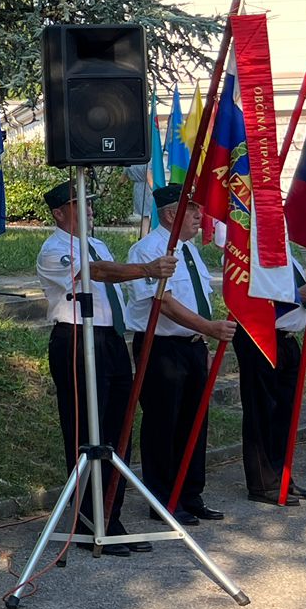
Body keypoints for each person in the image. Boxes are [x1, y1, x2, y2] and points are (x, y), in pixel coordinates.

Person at [36, 179, 174, 553]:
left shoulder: (95, 242)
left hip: (109, 340)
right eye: (80, 204)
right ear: (60, 213)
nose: (90, 209)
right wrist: (146, 269)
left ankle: (110, 514)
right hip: (78, 339)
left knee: (117, 429)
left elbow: (107, 269)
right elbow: (97, 273)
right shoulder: (54, 249)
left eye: (90, 202)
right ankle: (90, 518)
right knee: (86, 432)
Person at [126, 185, 234, 522]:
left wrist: (203, 334)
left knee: (194, 422)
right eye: (193, 211)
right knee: (164, 422)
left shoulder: (189, 250)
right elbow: (166, 303)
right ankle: (162, 500)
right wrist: (208, 326)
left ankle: (190, 494)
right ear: (172, 214)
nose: (200, 217)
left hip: (191, 346)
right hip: (161, 348)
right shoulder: (148, 251)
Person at [235, 244, 306, 507]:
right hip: (262, 338)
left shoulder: (288, 257)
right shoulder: (253, 256)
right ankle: (262, 482)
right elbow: (252, 301)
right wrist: (299, 295)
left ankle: (282, 476)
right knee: (262, 410)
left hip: (287, 340)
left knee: (285, 412)